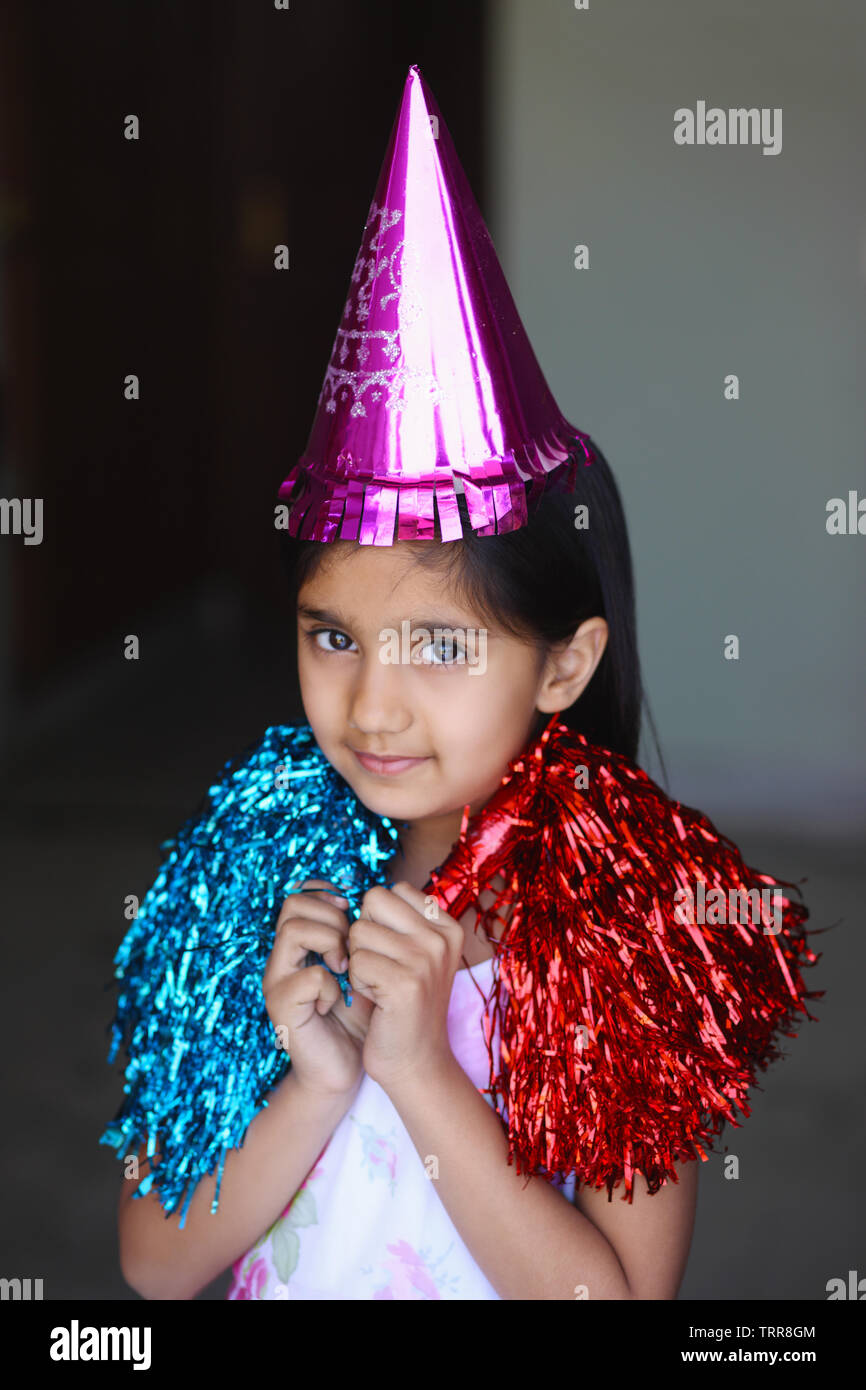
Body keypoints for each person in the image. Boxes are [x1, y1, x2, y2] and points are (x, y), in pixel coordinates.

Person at [103, 66, 819, 1301]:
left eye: (440, 646)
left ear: (563, 664)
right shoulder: (250, 870)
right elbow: (156, 1266)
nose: (372, 706)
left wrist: (421, 1070)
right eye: (333, 636)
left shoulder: (626, 925)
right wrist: (320, 1075)